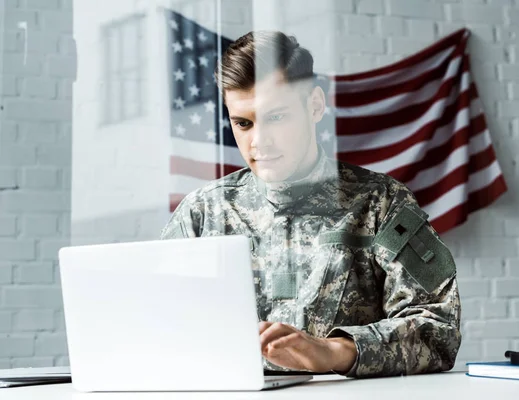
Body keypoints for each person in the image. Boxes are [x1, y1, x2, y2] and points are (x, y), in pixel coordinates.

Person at [160, 31, 461, 378]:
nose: (259, 142)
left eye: (276, 117)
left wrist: (335, 351)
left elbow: (439, 330)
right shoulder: (201, 213)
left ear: (315, 106)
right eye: (243, 123)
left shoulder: (381, 202)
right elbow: (157, 323)